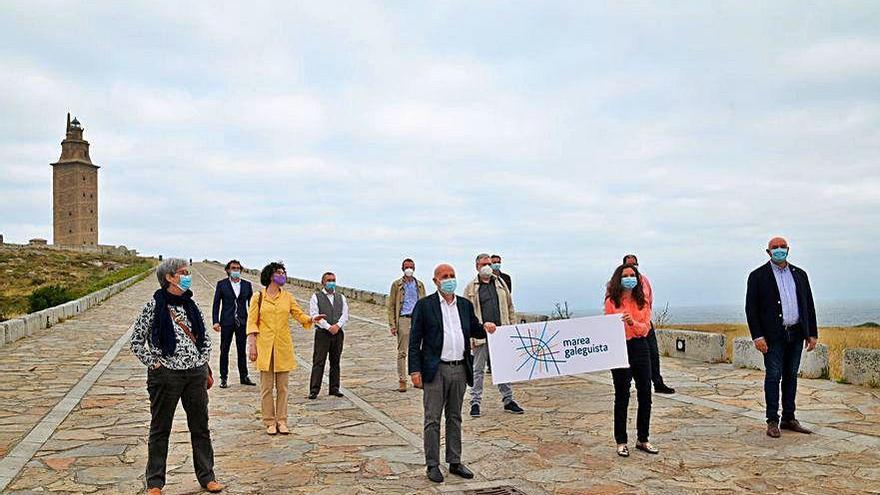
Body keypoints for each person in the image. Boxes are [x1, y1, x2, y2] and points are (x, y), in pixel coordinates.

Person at [130, 258, 223, 494]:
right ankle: (155, 482)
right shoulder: (154, 305)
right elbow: (137, 341)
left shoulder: (191, 305)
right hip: (166, 376)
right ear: (169, 277)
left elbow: (204, 339)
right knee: (160, 429)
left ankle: (207, 476)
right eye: (182, 272)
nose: (186, 275)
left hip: (194, 375)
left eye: (187, 272)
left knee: (200, 427)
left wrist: (202, 362)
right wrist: (156, 364)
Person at [409, 263, 494, 483]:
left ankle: (454, 461)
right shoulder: (425, 306)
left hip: (459, 368)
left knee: (455, 417)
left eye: (452, 275)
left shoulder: (464, 305)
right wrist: (414, 370)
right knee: (432, 419)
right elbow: (414, 340)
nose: (449, 279)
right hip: (435, 369)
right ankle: (432, 464)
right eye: (444, 276)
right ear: (435, 281)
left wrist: (486, 326)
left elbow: (474, 328)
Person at [746, 237, 818, 438]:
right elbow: (751, 310)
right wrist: (757, 336)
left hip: (795, 333)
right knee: (773, 375)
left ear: (788, 249)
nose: (779, 250)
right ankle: (772, 420)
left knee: (791, 376)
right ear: (768, 252)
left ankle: (789, 417)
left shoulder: (800, 275)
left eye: (782, 247)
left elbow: (808, 305)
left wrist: (811, 333)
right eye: (774, 247)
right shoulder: (758, 276)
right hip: (772, 336)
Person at [246, 262, 325, 435]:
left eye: (283, 272)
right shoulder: (258, 297)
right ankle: (269, 421)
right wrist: (252, 345)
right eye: (278, 272)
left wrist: (312, 319)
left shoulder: (287, 297)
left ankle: (281, 420)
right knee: (266, 388)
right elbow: (252, 322)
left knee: (283, 387)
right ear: (270, 276)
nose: (282, 275)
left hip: (282, 346)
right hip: (264, 346)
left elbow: (298, 314)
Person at [605, 263, 658, 457]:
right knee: (622, 395)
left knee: (645, 393)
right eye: (625, 275)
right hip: (620, 348)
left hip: (640, 347)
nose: (629, 278)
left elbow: (644, 328)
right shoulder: (612, 301)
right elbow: (609, 325)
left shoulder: (642, 300)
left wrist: (631, 322)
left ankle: (643, 438)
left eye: (632, 275)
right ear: (618, 278)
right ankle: (621, 441)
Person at [464, 253, 524, 417]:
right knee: (478, 370)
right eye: (484, 264)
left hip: (501, 334)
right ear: (477, 266)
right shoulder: (471, 288)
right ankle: (475, 402)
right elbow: (466, 315)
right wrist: (470, 337)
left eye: (489, 263)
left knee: (502, 368)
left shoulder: (500, 283)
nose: (487, 267)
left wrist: (512, 328)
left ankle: (508, 400)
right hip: (480, 335)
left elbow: (510, 307)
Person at [623, 254, 674, 394]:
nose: (632, 267)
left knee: (653, 353)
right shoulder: (618, 284)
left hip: (644, 323)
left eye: (634, 264)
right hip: (628, 326)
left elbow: (649, 300)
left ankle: (658, 383)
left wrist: (645, 319)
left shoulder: (644, 281)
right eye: (629, 264)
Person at [211, 260, 255, 388]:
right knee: (224, 349)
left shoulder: (247, 285)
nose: (235, 270)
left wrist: (252, 321)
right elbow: (216, 304)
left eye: (238, 268)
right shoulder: (222, 284)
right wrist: (215, 321)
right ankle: (223, 378)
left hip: (242, 321)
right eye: (233, 268)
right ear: (228, 270)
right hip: (226, 321)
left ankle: (244, 376)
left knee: (242, 350)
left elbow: (251, 305)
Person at [308, 272, 349, 399]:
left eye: (333, 280)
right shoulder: (316, 297)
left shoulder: (340, 297)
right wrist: (328, 327)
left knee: (335, 361)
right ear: (323, 282)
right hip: (322, 333)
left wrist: (337, 326)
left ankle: (334, 388)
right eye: (329, 280)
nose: (331, 282)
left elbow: (345, 314)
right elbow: (315, 315)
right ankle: (314, 389)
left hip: (338, 332)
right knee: (319, 361)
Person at [388, 258, 426, 392]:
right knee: (402, 352)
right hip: (403, 319)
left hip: (418, 319)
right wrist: (392, 324)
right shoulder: (397, 285)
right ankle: (402, 380)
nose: (409, 269)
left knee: (419, 350)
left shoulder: (419, 285)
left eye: (411, 267)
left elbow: (424, 304)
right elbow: (391, 305)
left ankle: (418, 378)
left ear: (414, 268)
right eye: (406, 267)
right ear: (402, 269)